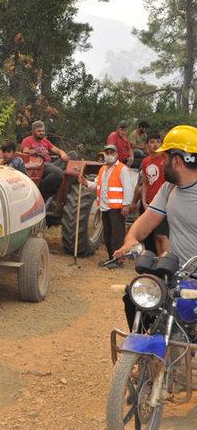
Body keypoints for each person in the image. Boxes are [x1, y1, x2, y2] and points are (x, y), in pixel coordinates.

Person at [115, 125, 197, 330]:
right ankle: (144, 353)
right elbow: (144, 222)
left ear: (177, 161)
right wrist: (131, 240)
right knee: (135, 296)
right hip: (176, 274)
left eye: (165, 158)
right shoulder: (168, 189)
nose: (161, 163)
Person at [79, 145, 134, 269]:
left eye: (111, 152)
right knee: (108, 234)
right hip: (104, 207)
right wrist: (86, 182)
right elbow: (96, 185)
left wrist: (126, 205)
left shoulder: (122, 169)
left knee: (117, 235)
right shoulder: (102, 169)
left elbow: (128, 188)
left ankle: (118, 260)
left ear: (116, 154)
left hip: (117, 208)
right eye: (107, 152)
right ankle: (111, 259)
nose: (109, 154)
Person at [21, 120, 70, 201]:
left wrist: (62, 153)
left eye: (43, 131)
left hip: (49, 164)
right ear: (33, 131)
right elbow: (25, 151)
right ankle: (40, 192)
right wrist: (32, 151)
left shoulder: (45, 141)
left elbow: (57, 150)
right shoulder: (28, 140)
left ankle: (65, 186)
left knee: (72, 154)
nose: (41, 133)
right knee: (58, 172)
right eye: (39, 131)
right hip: (39, 165)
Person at [140, 133, 169, 255]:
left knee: (162, 236)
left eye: (157, 141)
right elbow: (145, 183)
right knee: (155, 237)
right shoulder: (145, 161)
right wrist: (143, 202)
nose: (155, 144)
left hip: (165, 202)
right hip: (150, 204)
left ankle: (168, 264)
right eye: (151, 142)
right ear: (146, 145)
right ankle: (159, 265)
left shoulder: (165, 158)